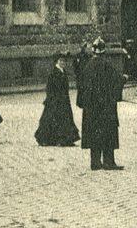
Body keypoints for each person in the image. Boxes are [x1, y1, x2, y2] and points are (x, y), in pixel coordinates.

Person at [79, 37, 124, 170]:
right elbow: (116, 80)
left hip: (92, 109)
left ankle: (95, 162)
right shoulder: (107, 65)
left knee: (94, 133)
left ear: (93, 51)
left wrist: (83, 103)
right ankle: (108, 162)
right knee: (108, 132)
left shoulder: (87, 66)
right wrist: (124, 78)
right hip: (106, 108)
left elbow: (81, 86)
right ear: (104, 51)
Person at [35, 52, 80, 147]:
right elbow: (49, 88)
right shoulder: (54, 73)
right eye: (61, 61)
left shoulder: (63, 71)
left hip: (63, 99)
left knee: (63, 119)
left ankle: (64, 139)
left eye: (64, 61)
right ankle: (51, 139)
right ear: (57, 61)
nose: (63, 62)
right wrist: (53, 98)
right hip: (55, 100)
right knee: (53, 119)